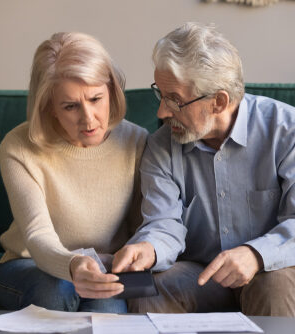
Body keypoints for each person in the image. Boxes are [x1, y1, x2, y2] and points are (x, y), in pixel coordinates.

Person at [112, 22, 295, 316]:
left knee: (273, 283)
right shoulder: (162, 146)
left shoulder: (286, 131)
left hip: (272, 271)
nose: (161, 112)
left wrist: (257, 254)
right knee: (150, 286)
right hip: (201, 275)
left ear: (219, 102)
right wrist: (148, 248)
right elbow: (164, 223)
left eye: (175, 100)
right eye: (161, 94)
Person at [0, 32, 148, 313]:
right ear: (48, 107)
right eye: (70, 106)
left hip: (106, 268)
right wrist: (73, 265)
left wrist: (122, 263)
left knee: (108, 308)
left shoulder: (137, 141)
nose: (89, 118)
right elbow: (37, 235)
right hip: (28, 265)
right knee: (56, 289)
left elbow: (142, 228)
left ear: (111, 89)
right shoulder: (18, 147)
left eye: (96, 98)